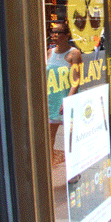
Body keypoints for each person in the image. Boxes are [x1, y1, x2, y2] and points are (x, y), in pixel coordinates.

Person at [46, 22, 82, 165]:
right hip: (51, 101)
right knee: (49, 139)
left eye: (58, 32)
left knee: (71, 139)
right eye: (52, 32)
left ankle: (74, 169)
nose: (54, 35)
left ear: (67, 35)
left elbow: (76, 81)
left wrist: (68, 101)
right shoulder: (49, 52)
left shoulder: (74, 53)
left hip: (66, 101)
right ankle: (50, 166)